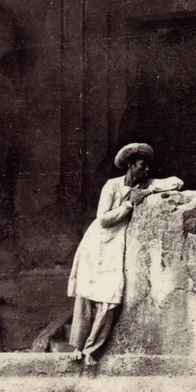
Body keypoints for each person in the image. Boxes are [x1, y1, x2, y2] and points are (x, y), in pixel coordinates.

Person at [66, 143, 184, 367]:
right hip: (96, 243)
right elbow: (103, 218)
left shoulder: (145, 184)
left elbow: (176, 182)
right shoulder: (112, 185)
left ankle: (92, 349)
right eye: (142, 165)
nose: (146, 169)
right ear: (130, 165)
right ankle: (78, 347)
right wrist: (128, 205)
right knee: (86, 293)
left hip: (115, 247)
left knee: (110, 297)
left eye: (147, 166)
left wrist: (148, 191)